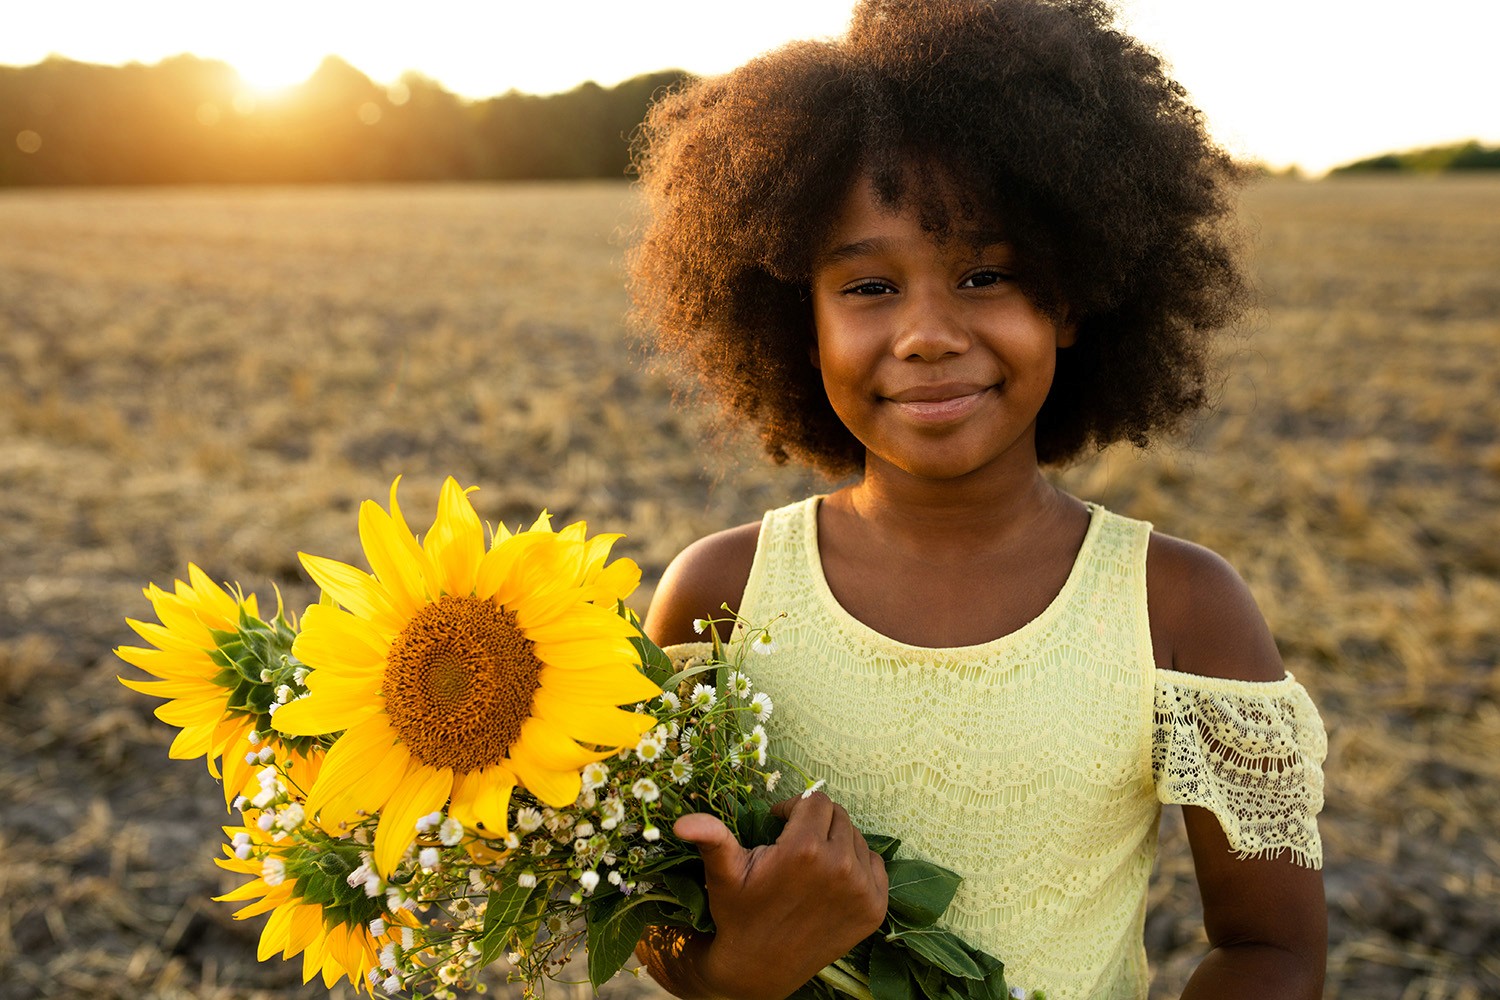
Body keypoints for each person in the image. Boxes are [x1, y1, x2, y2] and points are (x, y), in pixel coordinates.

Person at [626, 1, 1328, 997]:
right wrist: (749, 960)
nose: (926, 333)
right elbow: (662, 926)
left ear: (1077, 295)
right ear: (797, 319)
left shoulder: (1179, 608)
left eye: (986, 273)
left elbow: (1275, 948)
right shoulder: (720, 597)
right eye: (868, 287)